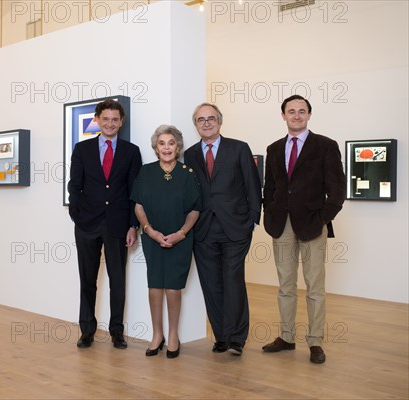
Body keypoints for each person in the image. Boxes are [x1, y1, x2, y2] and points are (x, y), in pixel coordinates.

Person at [262, 95, 345, 364]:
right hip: (281, 224)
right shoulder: (274, 148)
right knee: (285, 285)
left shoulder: (325, 146)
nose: (296, 116)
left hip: (312, 224)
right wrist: (269, 214)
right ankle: (286, 337)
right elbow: (270, 188)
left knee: (314, 287)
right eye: (291, 111)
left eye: (301, 111)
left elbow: (337, 190)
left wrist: (322, 217)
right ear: (283, 116)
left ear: (309, 115)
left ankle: (315, 342)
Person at [184, 103, 262, 356]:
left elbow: (253, 184)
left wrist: (252, 219)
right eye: (200, 120)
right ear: (195, 124)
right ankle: (221, 336)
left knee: (233, 280)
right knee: (211, 284)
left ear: (220, 121)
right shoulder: (191, 154)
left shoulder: (239, 148)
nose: (206, 123)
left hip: (236, 228)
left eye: (211, 118)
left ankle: (237, 338)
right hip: (204, 229)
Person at [68, 99, 142, 350]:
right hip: (87, 224)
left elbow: (135, 192)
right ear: (97, 120)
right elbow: (74, 186)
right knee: (87, 280)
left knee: (117, 280)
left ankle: (116, 332)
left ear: (121, 122)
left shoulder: (131, 152)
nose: (110, 123)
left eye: (115, 119)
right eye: (106, 119)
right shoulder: (82, 149)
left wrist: (133, 225)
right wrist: (77, 215)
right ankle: (87, 330)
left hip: (118, 225)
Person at [131, 125, 201, 359]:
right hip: (153, 238)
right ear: (156, 147)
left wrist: (181, 233)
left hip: (180, 239)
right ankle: (157, 335)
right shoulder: (145, 172)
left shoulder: (188, 173)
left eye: (171, 143)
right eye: (162, 143)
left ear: (178, 146)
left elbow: (195, 209)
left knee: (172, 288)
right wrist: (150, 231)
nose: (167, 147)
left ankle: (173, 335)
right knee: (154, 287)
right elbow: (138, 205)